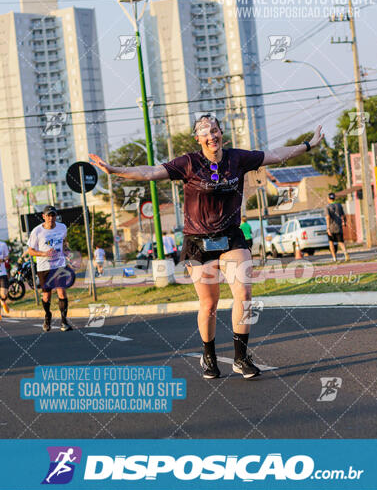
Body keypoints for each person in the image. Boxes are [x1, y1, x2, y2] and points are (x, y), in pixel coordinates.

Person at [89, 116, 323, 380]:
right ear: (197, 139)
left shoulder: (238, 159)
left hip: (231, 236)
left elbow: (274, 155)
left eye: (214, 130)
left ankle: (240, 357)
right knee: (209, 303)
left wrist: (308, 145)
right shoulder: (188, 163)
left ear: (221, 132)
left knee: (244, 294)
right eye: (204, 133)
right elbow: (150, 172)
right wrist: (114, 170)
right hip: (198, 242)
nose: (211, 136)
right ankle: (209, 356)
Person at [27, 205, 73, 332]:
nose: (51, 218)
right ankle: (47, 316)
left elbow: (64, 243)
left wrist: (67, 253)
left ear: (56, 216)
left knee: (62, 291)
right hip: (44, 267)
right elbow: (30, 251)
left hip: (59, 264)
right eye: (48, 215)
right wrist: (44, 254)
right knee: (46, 296)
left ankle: (64, 321)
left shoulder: (62, 227)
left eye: (53, 215)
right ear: (43, 217)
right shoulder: (37, 232)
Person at [325, 192, 350, 262]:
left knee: (331, 242)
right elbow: (343, 215)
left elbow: (328, 217)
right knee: (341, 242)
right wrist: (344, 222)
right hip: (339, 227)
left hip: (331, 227)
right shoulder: (339, 205)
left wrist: (328, 228)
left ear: (329, 198)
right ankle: (345, 253)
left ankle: (334, 258)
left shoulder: (328, 207)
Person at [0, 240, 10, 316]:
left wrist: (2, 260)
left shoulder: (3, 245)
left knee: (4, 293)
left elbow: (7, 256)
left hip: (2, 273)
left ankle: (3, 301)